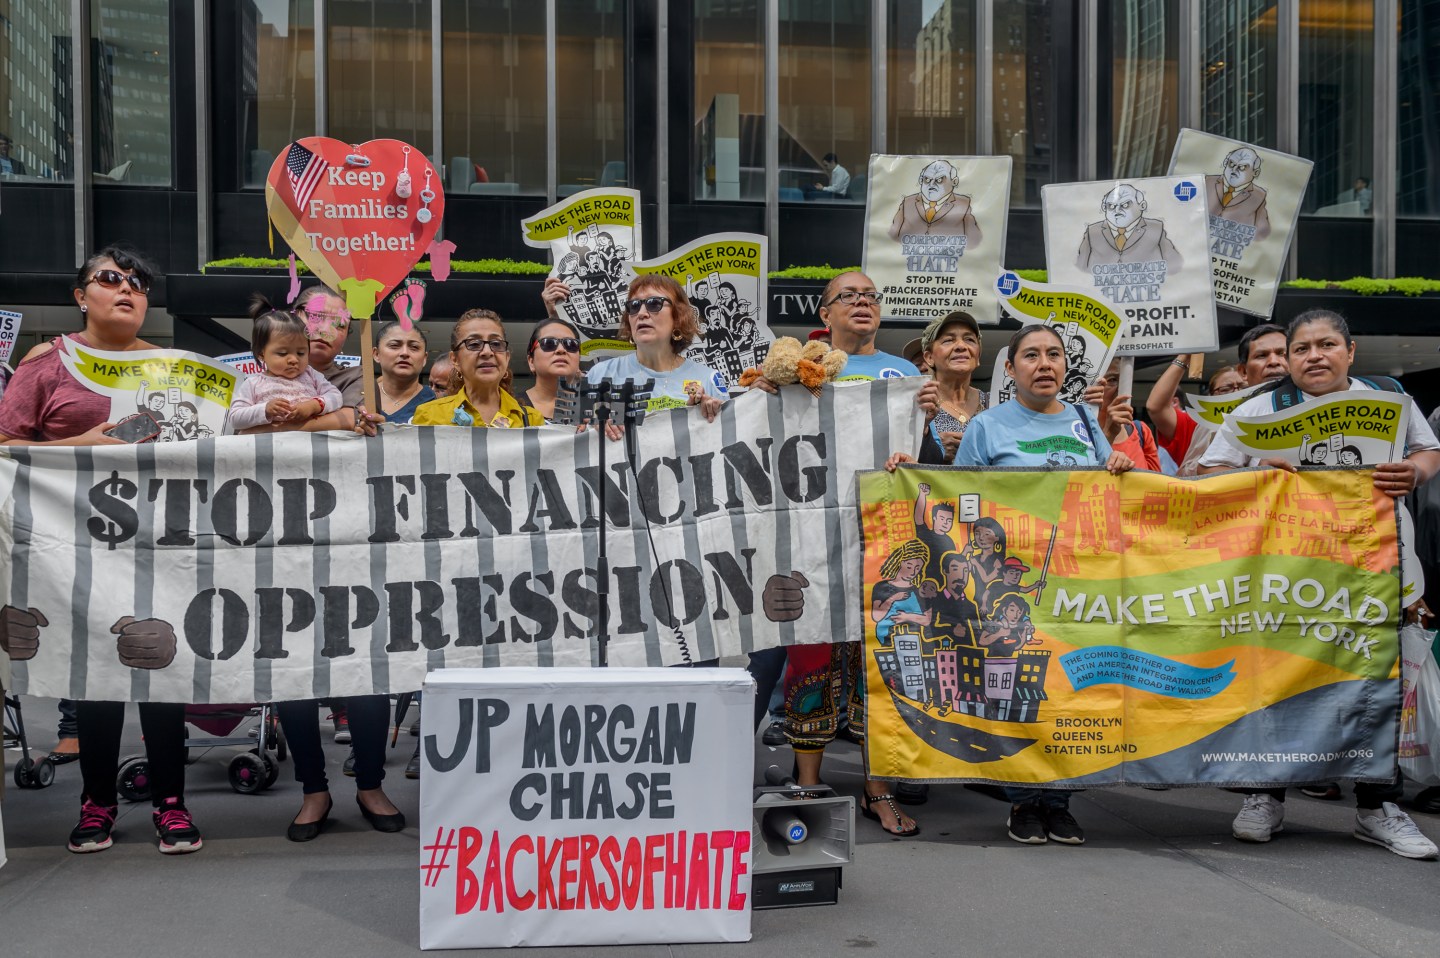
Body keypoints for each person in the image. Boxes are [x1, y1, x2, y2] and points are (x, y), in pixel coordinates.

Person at [1199, 309, 1440, 860]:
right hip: (1292, 582)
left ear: (1350, 352)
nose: (1313, 356)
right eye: (1301, 347)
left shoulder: (1390, 396)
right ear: (1288, 358)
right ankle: (1263, 794)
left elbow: (1427, 451)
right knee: (1280, 688)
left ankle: (1378, 806)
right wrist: (1253, 474)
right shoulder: (1261, 408)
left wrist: (1418, 472)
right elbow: (1209, 474)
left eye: (1326, 344)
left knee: (1376, 692)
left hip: (1378, 574)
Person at [0, 246, 201, 854]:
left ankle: (171, 803)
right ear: (80, 295)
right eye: (110, 278)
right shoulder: (47, 366)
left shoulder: (180, 369)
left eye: (138, 283)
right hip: (73, 555)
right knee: (94, 682)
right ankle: (97, 805)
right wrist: (82, 445)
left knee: (167, 674)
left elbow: (237, 429)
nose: (126, 289)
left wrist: (332, 417)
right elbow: (7, 443)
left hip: (163, 548)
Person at [750, 270, 931, 837]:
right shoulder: (803, 368)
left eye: (871, 296)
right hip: (813, 538)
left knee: (879, 659)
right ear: (824, 314)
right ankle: (808, 782)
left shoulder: (904, 376)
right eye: (848, 296)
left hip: (882, 537)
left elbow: (924, 460)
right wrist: (761, 397)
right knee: (810, 656)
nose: (862, 303)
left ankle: (877, 789)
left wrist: (920, 426)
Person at [953, 323, 1136, 847]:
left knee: (1068, 693)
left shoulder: (1085, 423)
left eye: (1054, 354)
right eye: (1030, 355)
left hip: (1077, 587)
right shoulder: (986, 427)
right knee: (1019, 690)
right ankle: (1021, 803)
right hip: (1012, 593)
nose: (1044, 364)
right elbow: (963, 502)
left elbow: (1111, 498)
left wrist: (1119, 462)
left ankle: (1059, 802)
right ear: (1010, 370)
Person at [585, 275, 726, 431]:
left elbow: (729, 443)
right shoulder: (599, 375)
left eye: (654, 304)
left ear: (678, 317)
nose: (642, 313)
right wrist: (593, 424)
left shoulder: (708, 379)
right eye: (634, 306)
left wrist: (705, 417)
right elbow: (570, 439)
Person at [413, 309, 544, 428]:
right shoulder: (429, 416)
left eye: (496, 344)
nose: (487, 352)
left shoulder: (532, 420)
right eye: (474, 344)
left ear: (507, 357)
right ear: (455, 360)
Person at [226, 302, 344, 433]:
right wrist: (265, 409)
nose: (293, 359)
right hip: (270, 447)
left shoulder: (310, 374)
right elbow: (235, 418)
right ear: (261, 354)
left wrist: (314, 405)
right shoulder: (253, 383)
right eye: (282, 353)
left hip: (309, 444)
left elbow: (336, 397)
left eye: (301, 353)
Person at [1144, 355, 1247, 476]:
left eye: (1244, 387)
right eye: (1225, 389)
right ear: (1211, 397)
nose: (1236, 393)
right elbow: (1156, 407)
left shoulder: (1266, 423)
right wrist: (1185, 357)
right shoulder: (1197, 425)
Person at [918, 310, 987, 463]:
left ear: (978, 357)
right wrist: (933, 445)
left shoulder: (995, 403)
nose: (961, 346)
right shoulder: (919, 404)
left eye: (969, 339)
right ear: (929, 357)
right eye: (948, 340)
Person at [1076, 183, 1182, 270]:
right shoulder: (1092, 232)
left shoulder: (1156, 228)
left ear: (1142, 206)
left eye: (1125, 205)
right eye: (1111, 206)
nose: (1117, 211)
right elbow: (1080, 268)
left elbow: (1175, 265)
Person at [887, 159, 982, 249]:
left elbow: (975, 242)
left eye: (939, 180)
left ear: (954, 182)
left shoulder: (963, 205)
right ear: (921, 181)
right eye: (927, 180)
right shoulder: (908, 202)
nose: (931, 184)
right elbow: (891, 237)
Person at [372, 319, 436, 423]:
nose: (405, 353)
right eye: (394, 345)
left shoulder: (434, 402)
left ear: (424, 358)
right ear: (376, 354)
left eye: (414, 347)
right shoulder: (360, 398)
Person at [519, 318, 582, 422]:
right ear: (531, 361)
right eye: (549, 343)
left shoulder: (597, 410)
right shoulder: (510, 407)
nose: (561, 350)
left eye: (571, 344)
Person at [1206, 146, 1271, 240]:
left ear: (1255, 173)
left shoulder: (1259, 196)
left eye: (1242, 167)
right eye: (1231, 164)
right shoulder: (1206, 181)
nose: (1234, 169)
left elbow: (1262, 233)